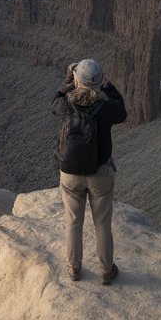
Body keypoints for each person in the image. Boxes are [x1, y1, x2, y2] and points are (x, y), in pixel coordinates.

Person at [52, 58, 127, 284]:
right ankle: (106, 270)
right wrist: (108, 85)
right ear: (99, 81)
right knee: (102, 224)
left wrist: (68, 80)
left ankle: (74, 268)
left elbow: (54, 101)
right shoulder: (106, 108)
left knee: (73, 221)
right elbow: (122, 111)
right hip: (100, 173)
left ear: (77, 80)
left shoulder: (66, 104)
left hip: (71, 173)